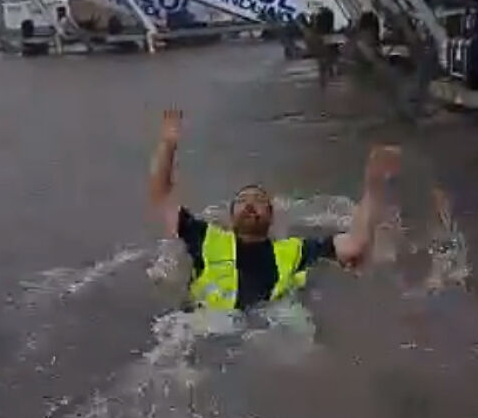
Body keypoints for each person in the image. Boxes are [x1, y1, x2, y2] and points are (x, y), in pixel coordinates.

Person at [149, 108, 401, 311]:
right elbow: (161, 196)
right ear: (230, 216)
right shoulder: (204, 237)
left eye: (258, 200)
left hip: (269, 326)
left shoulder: (294, 250)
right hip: (199, 328)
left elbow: (356, 244)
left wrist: (373, 185)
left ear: (271, 216)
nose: (250, 204)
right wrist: (168, 145)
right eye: (243, 200)